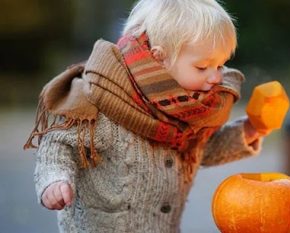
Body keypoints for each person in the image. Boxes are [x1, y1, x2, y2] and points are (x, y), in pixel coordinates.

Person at [24, 0, 266, 232]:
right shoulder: (108, 105)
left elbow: (202, 149)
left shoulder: (187, 112)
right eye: (202, 67)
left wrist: (246, 133)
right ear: (160, 58)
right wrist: (54, 180)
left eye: (220, 65)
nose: (216, 78)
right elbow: (58, 144)